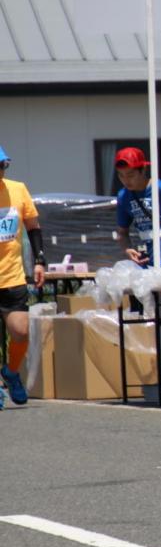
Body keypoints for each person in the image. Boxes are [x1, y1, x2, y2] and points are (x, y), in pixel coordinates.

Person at [0, 146, 46, 408]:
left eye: (2, 166)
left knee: (20, 330)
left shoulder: (17, 189)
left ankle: (11, 372)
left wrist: (39, 261)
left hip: (12, 276)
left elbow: (33, 226)